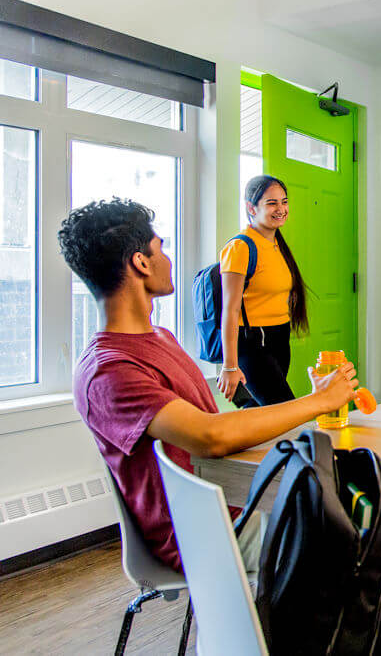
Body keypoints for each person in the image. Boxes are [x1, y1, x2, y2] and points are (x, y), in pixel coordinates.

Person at [59, 198, 358, 572]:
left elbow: (221, 426)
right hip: (205, 530)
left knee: (359, 508)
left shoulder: (160, 338)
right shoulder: (110, 370)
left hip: (234, 502)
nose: (168, 259)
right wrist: (318, 401)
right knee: (357, 533)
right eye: (161, 248)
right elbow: (210, 436)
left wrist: (315, 403)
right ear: (140, 262)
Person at [217, 175, 309, 407]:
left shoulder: (276, 244)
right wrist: (229, 366)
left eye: (284, 202)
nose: (281, 209)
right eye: (272, 203)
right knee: (285, 412)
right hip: (252, 342)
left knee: (260, 414)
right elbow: (230, 309)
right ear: (251, 207)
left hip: (279, 337)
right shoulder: (240, 247)